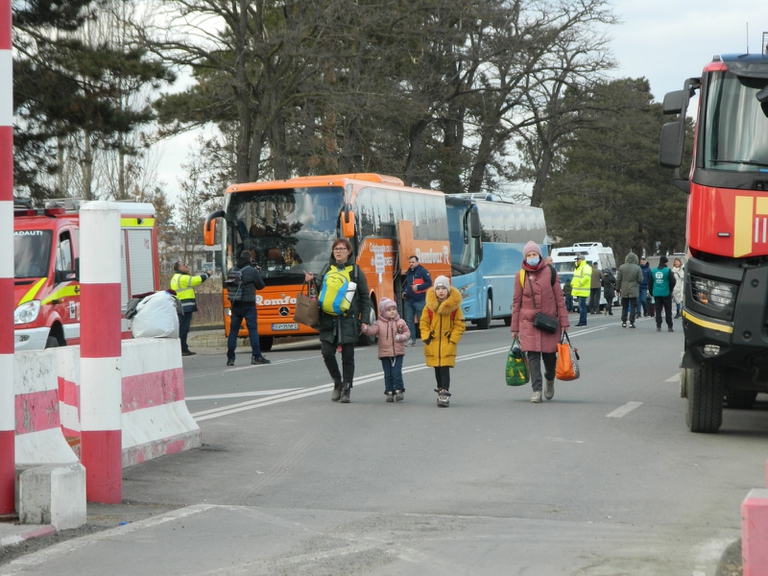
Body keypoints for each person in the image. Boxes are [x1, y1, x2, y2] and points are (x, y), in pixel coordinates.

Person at [304, 238, 371, 403]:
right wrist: (310, 281)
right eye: (336, 249)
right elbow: (317, 289)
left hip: (349, 319)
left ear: (349, 252)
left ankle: (347, 388)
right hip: (328, 319)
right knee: (327, 352)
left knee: (348, 356)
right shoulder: (327, 268)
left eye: (342, 248)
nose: (339, 251)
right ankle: (337, 382)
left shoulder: (356, 271)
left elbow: (364, 297)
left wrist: (365, 319)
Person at [511, 241, 570, 403]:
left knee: (550, 358)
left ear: (539, 256)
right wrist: (514, 327)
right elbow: (516, 303)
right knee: (533, 356)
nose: (531, 258)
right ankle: (536, 390)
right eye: (528, 255)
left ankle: (549, 379)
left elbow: (559, 299)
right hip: (528, 322)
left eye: (534, 255)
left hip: (549, 323)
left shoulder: (551, 273)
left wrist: (564, 322)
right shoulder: (520, 276)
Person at [420, 275, 466, 407]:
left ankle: (445, 392)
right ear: (434, 290)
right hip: (433, 342)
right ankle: (440, 389)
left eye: (443, 288)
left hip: (447, 342)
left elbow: (460, 324)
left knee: (445, 368)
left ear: (448, 290)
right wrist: (427, 337)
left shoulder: (454, 307)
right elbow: (423, 323)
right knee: (437, 368)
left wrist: (452, 339)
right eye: (438, 288)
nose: (440, 291)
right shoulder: (429, 307)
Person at [226, 250, 271, 366]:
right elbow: (261, 286)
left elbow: (229, 287)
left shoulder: (232, 270)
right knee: (252, 331)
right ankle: (257, 356)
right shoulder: (252, 271)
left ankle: (230, 358)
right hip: (249, 305)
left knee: (233, 332)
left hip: (235, 305)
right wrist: (257, 273)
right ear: (250, 259)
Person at [361, 297, 410, 402]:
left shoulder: (400, 322)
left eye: (394, 309)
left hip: (398, 352)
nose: (392, 312)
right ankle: (389, 392)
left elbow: (407, 333)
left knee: (396, 372)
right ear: (383, 312)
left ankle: (399, 390)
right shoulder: (379, 323)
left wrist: (402, 337)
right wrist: (366, 330)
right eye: (389, 310)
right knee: (388, 374)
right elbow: (373, 331)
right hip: (385, 353)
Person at [170, 261, 212, 356]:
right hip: (185, 306)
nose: (186, 266)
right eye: (184, 265)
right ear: (179, 268)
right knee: (184, 329)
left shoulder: (175, 278)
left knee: (182, 328)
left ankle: (182, 347)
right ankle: (183, 349)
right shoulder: (183, 278)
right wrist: (208, 274)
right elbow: (197, 280)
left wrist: (188, 273)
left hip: (180, 306)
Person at [402, 255, 432, 346]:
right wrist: (404, 291)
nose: (411, 264)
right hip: (409, 300)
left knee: (422, 320)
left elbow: (429, 282)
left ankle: (427, 337)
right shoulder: (408, 272)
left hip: (419, 300)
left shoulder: (422, 271)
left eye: (413, 262)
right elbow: (405, 284)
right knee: (409, 320)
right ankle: (412, 339)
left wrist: (418, 287)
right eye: (410, 262)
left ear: (417, 262)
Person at [616, 252, 643, 329]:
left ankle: (624, 322)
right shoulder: (637, 268)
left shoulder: (622, 267)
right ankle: (631, 322)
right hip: (634, 289)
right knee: (633, 306)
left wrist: (617, 289)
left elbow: (618, 279)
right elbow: (640, 279)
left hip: (624, 289)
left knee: (624, 306)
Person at [651, 255, 677, 333]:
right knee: (668, 310)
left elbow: (650, 282)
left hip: (657, 293)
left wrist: (651, 291)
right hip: (666, 292)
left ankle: (658, 326)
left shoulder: (653, 270)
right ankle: (669, 326)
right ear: (666, 262)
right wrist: (670, 289)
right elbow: (673, 281)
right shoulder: (668, 271)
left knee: (658, 310)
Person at [571, 255, 592, 326]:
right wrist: (572, 284)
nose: (577, 261)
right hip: (578, 290)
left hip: (583, 291)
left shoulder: (586, 267)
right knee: (581, 307)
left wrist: (580, 283)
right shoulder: (578, 268)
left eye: (578, 259)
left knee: (582, 307)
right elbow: (575, 278)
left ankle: (582, 321)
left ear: (582, 260)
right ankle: (582, 321)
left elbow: (587, 277)